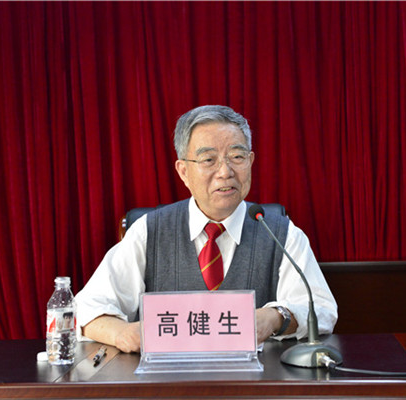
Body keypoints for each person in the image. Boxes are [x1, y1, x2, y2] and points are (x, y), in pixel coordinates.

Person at [75, 105, 337, 353]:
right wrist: (123, 333)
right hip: (167, 380)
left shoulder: (281, 232)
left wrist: (275, 317)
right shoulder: (148, 231)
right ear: (183, 172)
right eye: (209, 159)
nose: (225, 172)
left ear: (251, 161)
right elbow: (85, 309)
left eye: (237, 157)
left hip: (257, 379)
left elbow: (323, 310)